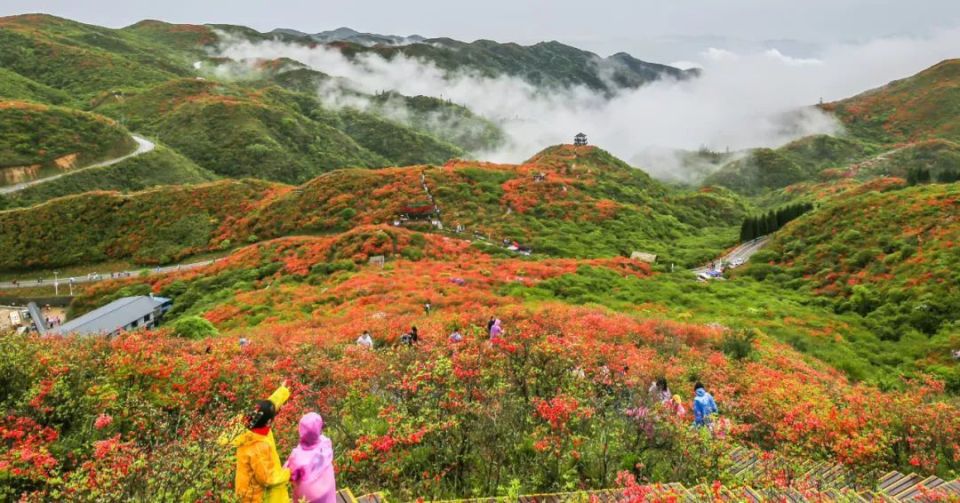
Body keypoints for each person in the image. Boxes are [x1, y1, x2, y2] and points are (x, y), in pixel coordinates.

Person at [233, 385, 292, 503]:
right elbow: (268, 479)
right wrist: (289, 472)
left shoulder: (248, 424)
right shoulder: (258, 447)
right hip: (254, 497)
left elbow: (265, 408)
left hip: (244, 489)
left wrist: (283, 391)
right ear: (269, 422)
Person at [285, 413, 336, 503]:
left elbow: (288, 474)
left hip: (306, 498)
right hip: (326, 494)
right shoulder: (326, 443)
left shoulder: (296, 455)